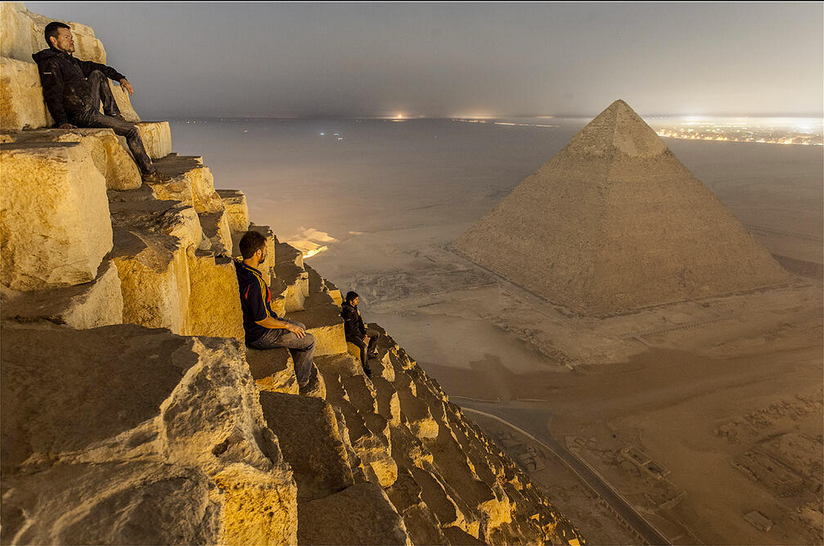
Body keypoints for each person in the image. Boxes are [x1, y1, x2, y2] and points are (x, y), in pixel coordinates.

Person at [32, 21, 162, 180]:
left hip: (87, 106)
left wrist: (120, 78)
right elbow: (53, 92)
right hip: (80, 115)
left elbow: (98, 67)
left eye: (71, 37)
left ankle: (113, 115)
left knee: (98, 74)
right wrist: (62, 121)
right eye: (66, 37)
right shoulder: (51, 62)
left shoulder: (70, 61)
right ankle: (150, 173)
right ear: (53, 40)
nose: (71, 40)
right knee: (131, 130)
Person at [234, 230, 318, 389]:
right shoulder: (254, 283)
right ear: (258, 253)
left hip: (256, 327)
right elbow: (262, 319)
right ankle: (302, 382)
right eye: (265, 250)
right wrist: (287, 326)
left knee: (301, 327)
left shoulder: (241, 268)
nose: (266, 253)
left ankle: (296, 361)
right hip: (261, 335)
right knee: (309, 341)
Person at [341, 291, 380, 377]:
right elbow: (350, 329)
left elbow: (359, 321)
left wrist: (364, 331)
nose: (358, 301)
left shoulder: (354, 307)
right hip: (351, 335)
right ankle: (366, 367)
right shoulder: (348, 313)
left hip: (359, 331)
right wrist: (362, 336)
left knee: (376, 334)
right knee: (363, 347)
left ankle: (369, 353)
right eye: (356, 299)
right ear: (351, 301)